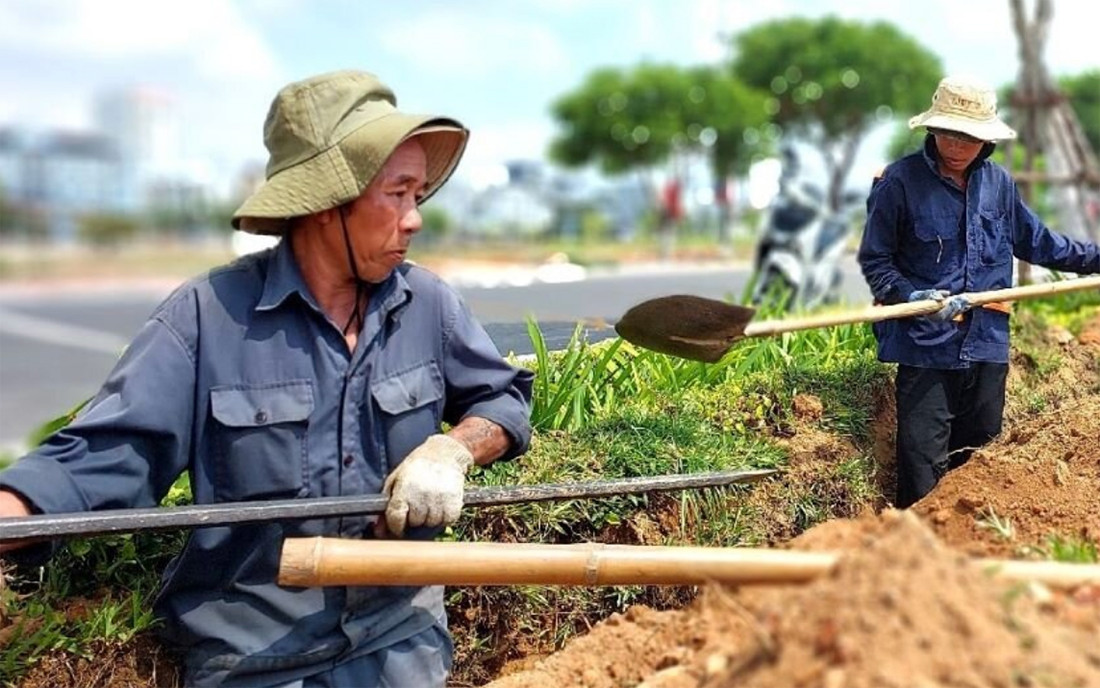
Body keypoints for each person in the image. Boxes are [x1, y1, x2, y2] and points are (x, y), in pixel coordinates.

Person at [0, 70, 534, 687]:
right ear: (325, 203)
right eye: (397, 193)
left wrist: (453, 449)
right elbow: (107, 456)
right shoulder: (207, 316)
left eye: (419, 196)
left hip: (400, 641)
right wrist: (14, 510)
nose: (413, 220)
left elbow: (502, 398)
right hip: (254, 660)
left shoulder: (429, 304)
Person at [858, 75, 1100, 509]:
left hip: (987, 345)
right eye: (949, 132)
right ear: (932, 129)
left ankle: (969, 560)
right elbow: (877, 261)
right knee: (922, 472)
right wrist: (911, 297)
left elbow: (1039, 243)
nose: (957, 145)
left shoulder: (999, 185)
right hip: (926, 348)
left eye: (968, 136)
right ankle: (917, 558)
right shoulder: (899, 182)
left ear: (985, 138)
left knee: (977, 466)